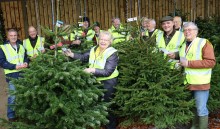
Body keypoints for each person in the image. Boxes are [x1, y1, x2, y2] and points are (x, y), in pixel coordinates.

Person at [64, 31, 119, 129]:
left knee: (108, 106)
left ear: (110, 41)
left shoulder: (112, 53)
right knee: (98, 105)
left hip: (109, 83)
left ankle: (111, 126)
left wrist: (92, 70)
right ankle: (101, 124)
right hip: (96, 81)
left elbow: (108, 72)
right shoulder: (94, 49)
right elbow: (83, 57)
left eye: (106, 40)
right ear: (98, 39)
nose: (103, 41)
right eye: (101, 39)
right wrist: (72, 55)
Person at [169, 22, 216, 129]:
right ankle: (194, 126)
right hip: (187, 83)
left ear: (196, 31)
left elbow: (211, 62)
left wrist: (189, 63)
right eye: (185, 30)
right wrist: (175, 55)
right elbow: (184, 55)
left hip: (200, 83)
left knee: (201, 108)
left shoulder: (204, 43)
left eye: (190, 30)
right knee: (193, 107)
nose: (187, 32)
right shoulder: (184, 44)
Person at [0, 29, 29, 121]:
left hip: (23, 73)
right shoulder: (3, 48)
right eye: (11, 35)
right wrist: (14, 66)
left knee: (23, 95)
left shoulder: (21, 47)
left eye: (15, 35)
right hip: (12, 75)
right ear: (8, 37)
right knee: (13, 96)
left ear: (17, 36)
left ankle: (23, 113)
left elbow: (25, 57)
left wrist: (26, 63)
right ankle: (11, 116)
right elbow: (2, 62)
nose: (13, 37)